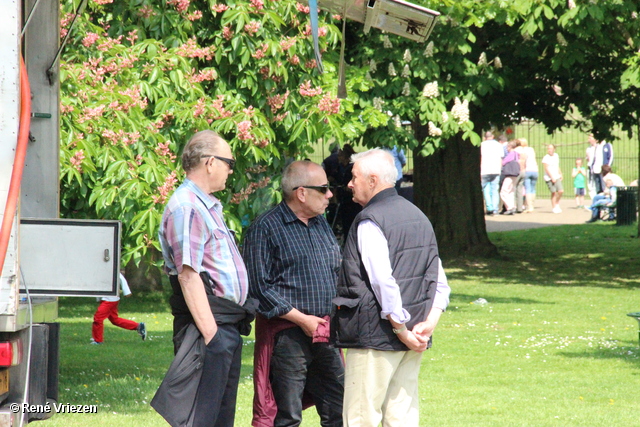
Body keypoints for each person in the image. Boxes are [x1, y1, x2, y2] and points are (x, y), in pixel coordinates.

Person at [331, 149, 450, 427]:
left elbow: (383, 281)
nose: (349, 183)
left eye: (354, 177)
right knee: (402, 417)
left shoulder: (370, 219)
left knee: (361, 417)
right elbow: (440, 282)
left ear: (372, 180)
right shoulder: (418, 215)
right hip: (412, 335)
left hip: (377, 338)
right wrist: (428, 324)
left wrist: (402, 330)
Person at [158, 130, 256, 427]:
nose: (231, 169)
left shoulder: (204, 204)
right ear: (210, 163)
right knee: (202, 419)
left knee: (220, 419)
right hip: (208, 328)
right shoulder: (187, 206)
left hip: (223, 325)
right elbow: (188, 276)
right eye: (229, 162)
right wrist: (212, 335)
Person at [243, 160, 344, 427]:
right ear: (301, 193)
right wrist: (303, 320)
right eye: (323, 188)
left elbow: (335, 271)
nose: (330, 194)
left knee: (340, 406)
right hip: (287, 336)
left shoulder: (321, 224)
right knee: (286, 415)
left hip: (325, 331)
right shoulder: (264, 228)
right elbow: (259, 288)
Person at [91, 272, 146, 344]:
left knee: (98, 318)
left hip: (110, 300)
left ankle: (98, 340)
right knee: (114, 320)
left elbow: (121, 278)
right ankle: (138, 326)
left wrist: (126, 292)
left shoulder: (110, 269)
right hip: (108, 299)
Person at [480, 131, 504, 215]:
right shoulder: (498, 145)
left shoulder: (482, 145)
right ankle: (495, 209)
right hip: (496, 169)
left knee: (485, 189)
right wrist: (500, 169)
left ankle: (489, 207)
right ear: (493, 136)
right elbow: (501, 158)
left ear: (485, 137)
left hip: (484, 170)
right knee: (495, 190)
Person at [499, 140, 520, 215]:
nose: (507, 148)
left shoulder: (511, 154)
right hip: (515, 174)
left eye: (507, 146)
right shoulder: (517, 154)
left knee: (503, 192)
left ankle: (510, 207)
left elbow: (504, 162)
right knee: (511, 191)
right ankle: (512, 206)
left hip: (509, 174)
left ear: (510, 146)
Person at [542, 144, 564, 213]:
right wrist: (552, 177)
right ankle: (554, 207)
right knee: (553, 192)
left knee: (560, 191)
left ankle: (557, 203)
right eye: (548, 148)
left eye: (551, 148)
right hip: (549, 177)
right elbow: (546, 168)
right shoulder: (546, 157)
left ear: (554, 149)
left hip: (556, 176)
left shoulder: (556, 156)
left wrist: (560, 173)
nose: (549, 150)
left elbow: (557, 165)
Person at [519, 138, 538, 213]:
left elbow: (523, 161)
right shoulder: (531, 149)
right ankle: (532, 205)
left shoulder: (523, 151)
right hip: (535, 170)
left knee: (528, 189)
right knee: (533, 188)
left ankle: (529, 206)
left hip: (527, 170)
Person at [585, 135, 597, 200]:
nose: (588, 139)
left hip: (597, 169)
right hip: (590, 168)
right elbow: (588, 159)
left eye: (590, 138)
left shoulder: (598, 147)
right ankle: (594, 201)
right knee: (590, 186)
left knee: (597, 185)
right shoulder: (588, 148)